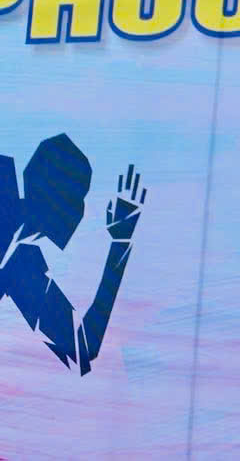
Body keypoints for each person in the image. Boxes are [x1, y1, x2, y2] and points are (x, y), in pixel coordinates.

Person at [0, 135, 146, 375]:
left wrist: (120, 244)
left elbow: (82, 349)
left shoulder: (23, 265)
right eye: (76, 196)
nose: (80, 210)